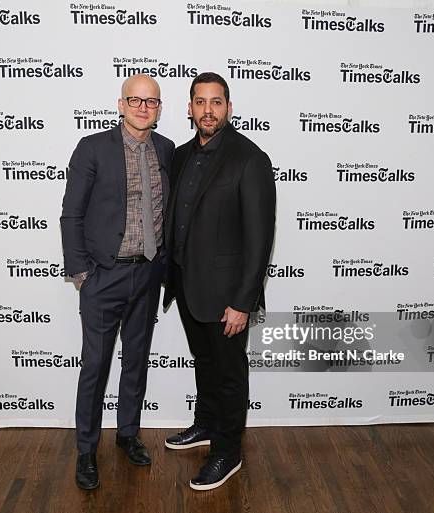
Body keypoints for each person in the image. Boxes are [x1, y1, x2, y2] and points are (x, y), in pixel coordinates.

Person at [60, 74, 174, 490]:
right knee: (95, 365)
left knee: (137, 360)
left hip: (147, 274)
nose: (144, 107)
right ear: (120, 104)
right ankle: (87, 450)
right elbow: (71, 214)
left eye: (152, 102)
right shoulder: (92, 148)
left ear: (160, 109)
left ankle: (128, 434)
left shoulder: (166, 150)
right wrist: (82, 273)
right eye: (136, 100)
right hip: (103, 276)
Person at [163, 72, 276, 490]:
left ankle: (227, 452)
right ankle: (206, 425)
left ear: (229, 107)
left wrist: (243, 301)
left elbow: (259, 237)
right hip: (188, 287)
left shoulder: (250, 158)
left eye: (216, 101)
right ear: (189, 108)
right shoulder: (180, 155)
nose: (207, 110)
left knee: (229, 374)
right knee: (205, 364)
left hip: (228, 295)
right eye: (200, 101)